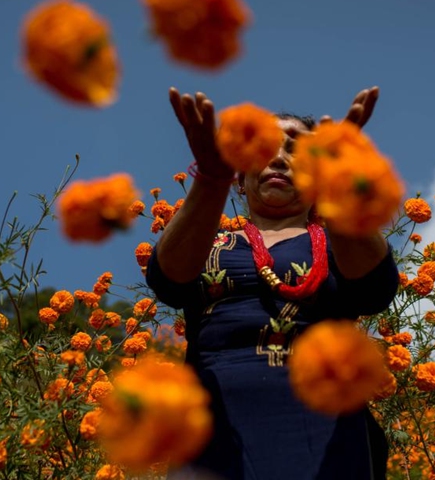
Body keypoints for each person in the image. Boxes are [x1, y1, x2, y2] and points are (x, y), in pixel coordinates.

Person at [146, 86, 400, 480]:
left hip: (326, 439)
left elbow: (375, 288)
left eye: (297, 150)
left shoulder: (340, 243)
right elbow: (168, 281)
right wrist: (211, 178)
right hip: (214, 435)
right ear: (239, 176)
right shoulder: (210, 243)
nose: (279, 159)